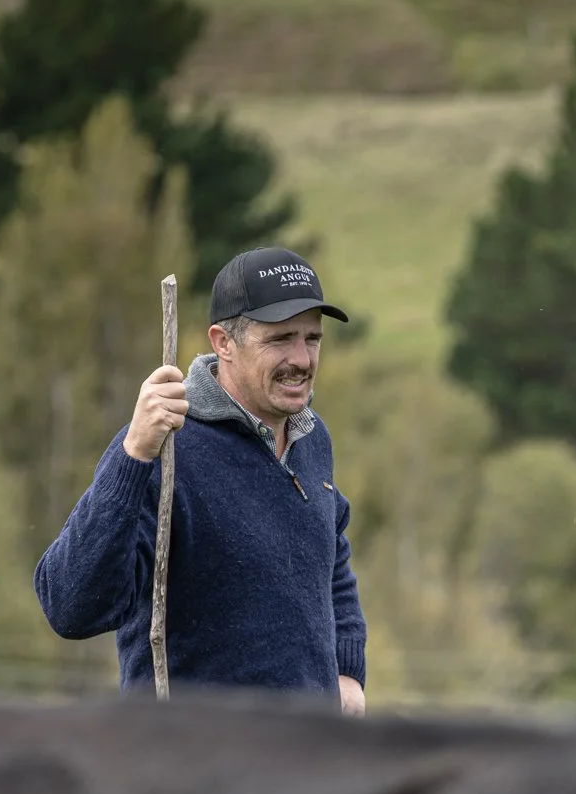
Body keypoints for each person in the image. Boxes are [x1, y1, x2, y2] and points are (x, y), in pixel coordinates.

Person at [34, 248, 368, 714]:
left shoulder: (311, 438)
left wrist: (347, 670)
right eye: (281, 338)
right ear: (223, 342)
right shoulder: (165, 449)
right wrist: (134, 456)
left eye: (312, 338)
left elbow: (331, 554)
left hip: (305, 762)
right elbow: (70, 607)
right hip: (193, 766)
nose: (301, 358)